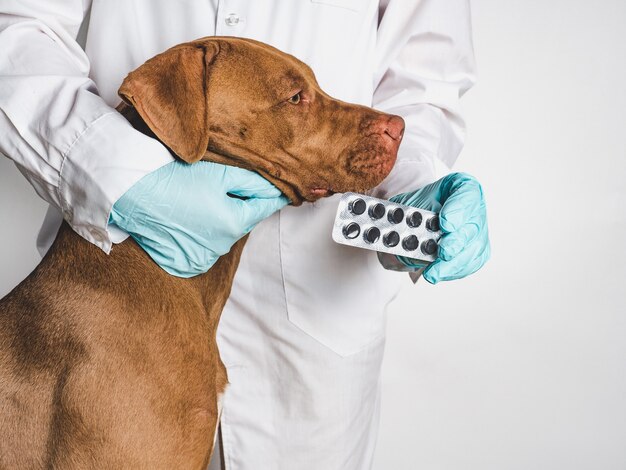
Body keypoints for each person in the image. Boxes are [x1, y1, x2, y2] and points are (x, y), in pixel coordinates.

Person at [0, 1, 490, 469]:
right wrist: (113, 171)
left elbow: (425, 82)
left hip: (314, 319)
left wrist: (415, 186)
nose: (390, 129)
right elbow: (16, 26)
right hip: (114, 249)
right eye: (300, 98)